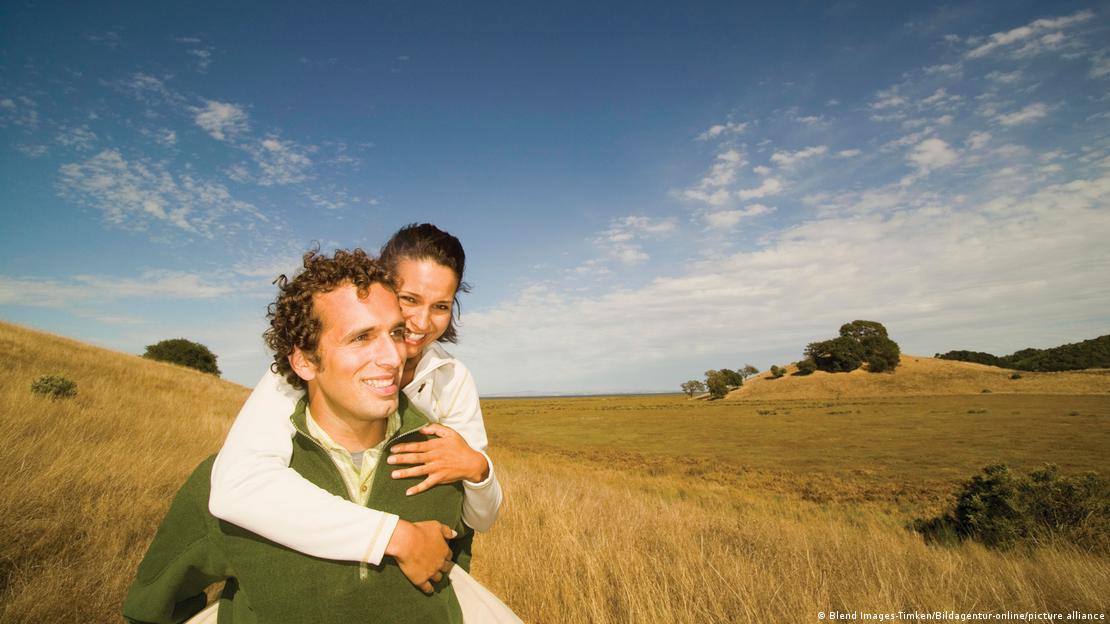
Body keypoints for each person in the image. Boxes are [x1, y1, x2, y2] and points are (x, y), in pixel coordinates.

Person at [123, 248, 516, 624]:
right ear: (304, 361)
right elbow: (156, 601)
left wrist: (477, 468)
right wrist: (395, 535)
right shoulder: (238, 468)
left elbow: (458, 559)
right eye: (361, 337)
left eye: (395, 332)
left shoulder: (438, 462)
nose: (398, 352)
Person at [208, 223, 503, 593]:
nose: (423, 322)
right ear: (379, 286)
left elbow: (481, 517)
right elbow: (237, 484)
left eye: (441, 306)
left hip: (430, 580)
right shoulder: (313, 365)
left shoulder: (453, 380)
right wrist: (395, 536)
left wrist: (478, 469)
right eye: (409, 299)